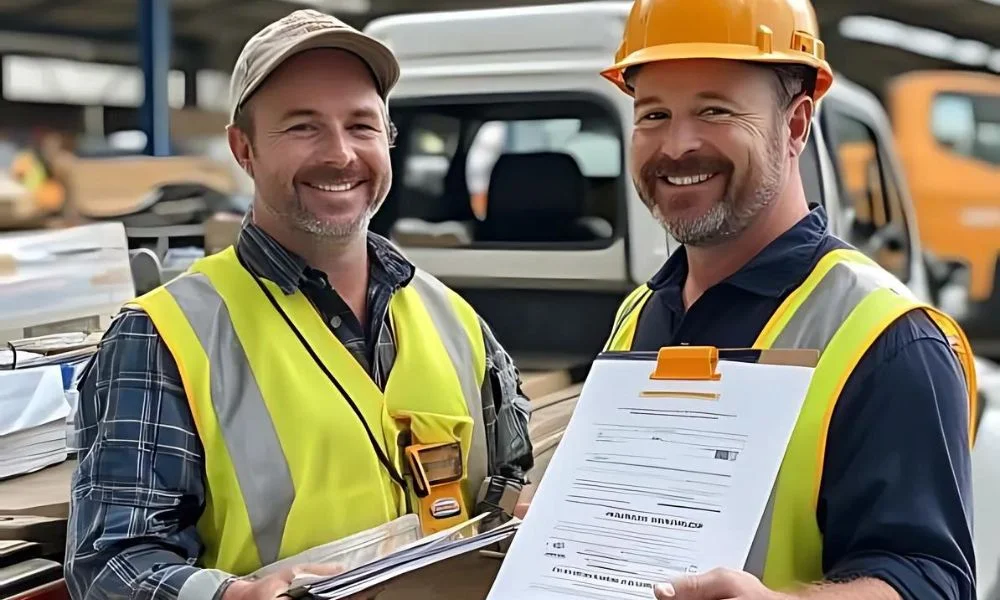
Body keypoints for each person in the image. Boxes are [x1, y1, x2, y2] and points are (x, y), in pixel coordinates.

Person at [64, 10, 534, 600]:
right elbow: (111, 564)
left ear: (388, 137)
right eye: (303, 127)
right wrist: (234, 596)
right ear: (244, 149)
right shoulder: (163, 337)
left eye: (361, 125)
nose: (340, 155)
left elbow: (507, 485)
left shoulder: (456, 320)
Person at [598, 1, 978, 599]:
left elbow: (929, 580)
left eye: (714, 110)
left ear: (796, 125)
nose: (676, 145)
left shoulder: (890, 338)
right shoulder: (641, 315)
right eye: (654, 114)